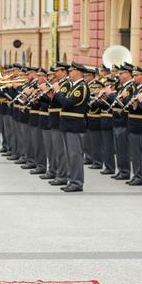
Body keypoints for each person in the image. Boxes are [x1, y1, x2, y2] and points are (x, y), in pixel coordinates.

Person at [50, 63, 91, 192]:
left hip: (75, 124)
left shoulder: (82, 87)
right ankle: (71, 180)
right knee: (69, 155)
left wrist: (57, 91)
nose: (70, 73)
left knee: (75, 155)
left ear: (78, 72)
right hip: (68, 124)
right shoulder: (73, 86)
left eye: (72, 71)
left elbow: (67, 102)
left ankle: (77, 182)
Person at [126, 67, 142, 186]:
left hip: (139, 124)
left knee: (139, 152)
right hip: (133, 123)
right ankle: (136, 175)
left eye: (136, 75)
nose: (134, 78)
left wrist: (136, 105)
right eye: (134, 75)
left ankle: (140, 177)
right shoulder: (136, 89)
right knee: (134, 152)